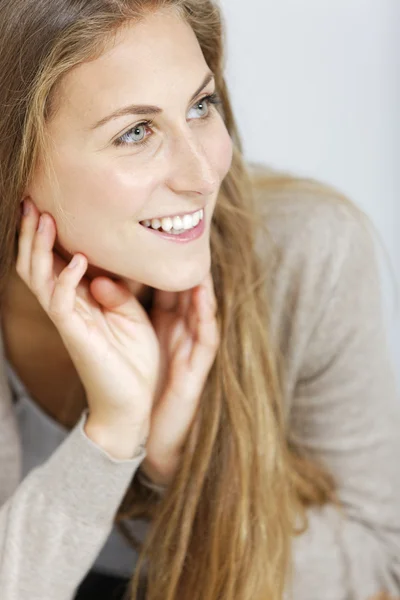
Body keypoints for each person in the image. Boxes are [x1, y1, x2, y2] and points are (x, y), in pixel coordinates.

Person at [0, 1, 399, 599]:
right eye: (136, 132)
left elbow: (377, 569)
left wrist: (186, 468)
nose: (204, 171)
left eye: (201, 105)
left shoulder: (308, 254)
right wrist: (110, 436)